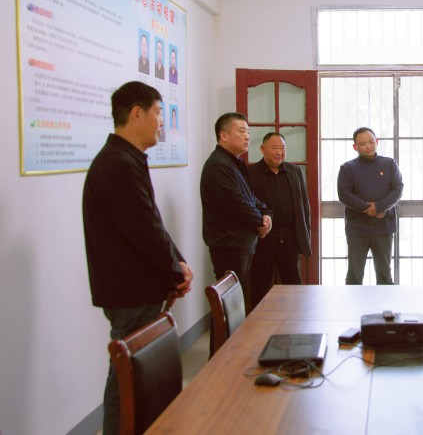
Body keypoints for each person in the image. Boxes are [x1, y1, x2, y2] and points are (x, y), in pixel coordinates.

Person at [82, 81, 193, 435]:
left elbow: (152, 222)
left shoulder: (127, 159)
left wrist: (178, 264)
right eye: (158, 113)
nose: (162, 122)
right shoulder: (117, 164)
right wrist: (176, 271)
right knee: (126, 382)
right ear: (136, 114)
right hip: (130, 292)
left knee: (135, 382)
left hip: (138, 290)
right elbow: (144, 230)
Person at [200, 112, 272, 316]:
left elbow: (250, 198)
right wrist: (261, 221)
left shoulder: (234, 162)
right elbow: (237, 203)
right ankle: (223, 340)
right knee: (227, 310)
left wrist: (267, 214)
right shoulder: (218, 165)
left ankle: (233, 339)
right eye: (242, 131)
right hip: (229, 245)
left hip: (241, 243)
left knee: (235, 306)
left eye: (248, 132)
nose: (247, 136)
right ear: (223, 135)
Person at [247, 132, 312, 306]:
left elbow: (304, 206)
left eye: (283, 148)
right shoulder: (251, 173)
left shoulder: (294, 171)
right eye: (274, 148)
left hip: (289, 238)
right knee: (260, 286)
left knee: (294, 285)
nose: (279, 152)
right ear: (262, 149)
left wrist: (305, 234)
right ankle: (259, 320)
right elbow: (248, 205)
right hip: (263, 239)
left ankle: (296, 318)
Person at [337, 127, 403, 284]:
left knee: (384, 274)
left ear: (377, 142)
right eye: (362, 144)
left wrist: (379, 207)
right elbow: (344, 194)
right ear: (355, 147)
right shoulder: (347, 168)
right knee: (354, 274)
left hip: (383, 227)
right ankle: (353, 300)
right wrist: (369, 209)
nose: (368, 146)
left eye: (371, 142)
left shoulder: (389, 164)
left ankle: (385, 301)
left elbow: (398, 189)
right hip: (357, 228)